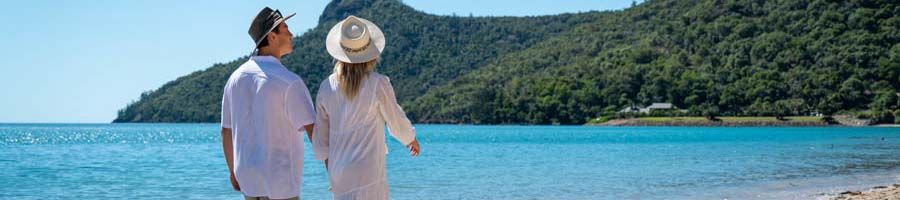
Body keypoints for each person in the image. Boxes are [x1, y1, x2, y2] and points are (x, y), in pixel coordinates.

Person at [312, 15, 421, 200]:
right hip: (368, 171)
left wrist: (332, 171)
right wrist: (410, 138)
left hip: (339, 172)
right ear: (370, 52)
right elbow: (395, 119)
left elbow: (321, 142)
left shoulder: (326, 87)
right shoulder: (378, 84)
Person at [220, 7, 316, 200]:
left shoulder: (235, 79)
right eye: (285, 28)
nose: (291, 34)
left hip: (248, 181)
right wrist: (335, 170)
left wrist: (233, 172)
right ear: (272, 37)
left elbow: (226, 131)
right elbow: (314, 132)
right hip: (280, 184)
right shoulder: (289, 82)